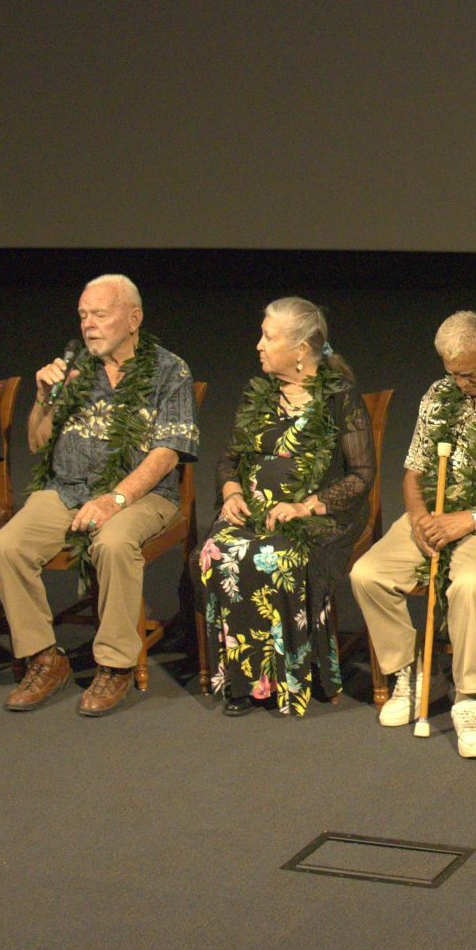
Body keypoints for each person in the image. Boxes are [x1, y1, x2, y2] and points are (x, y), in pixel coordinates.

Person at [348, 311, 476, 758]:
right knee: (367, 573)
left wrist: (472, 520)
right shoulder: (437, 397)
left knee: (470, 580)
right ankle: (412, 671)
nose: (461, 382)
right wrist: (421, 516)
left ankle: (469, 698)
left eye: (468, 372)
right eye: (452, 373)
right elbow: (413, 472)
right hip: (441, 508)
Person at [0, 274, 198, 716]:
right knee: (5, 547)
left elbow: (167, 453)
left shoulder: (169, 369)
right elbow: (37, 443)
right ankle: (45, 658)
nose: (89, 325)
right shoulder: (73, 371)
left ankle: (115, 663)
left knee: (114, 542)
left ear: (134, 318)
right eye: (84, 315)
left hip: (142, 496)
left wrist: (114, 500)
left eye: (100, 314)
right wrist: (44, 399)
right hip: (65, 489)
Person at [199, 297, 375, 718]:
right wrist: (231, 492)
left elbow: (361, 475)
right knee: (217, 552)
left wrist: (308, 506)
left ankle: (288, 677)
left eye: (269, 337)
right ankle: (241, 680)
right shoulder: (258, 393)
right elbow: (228, 459)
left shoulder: (339, 397)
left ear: (300, 349)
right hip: (255, 512)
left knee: (272, 556)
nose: (258, 345)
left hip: (318, 517)